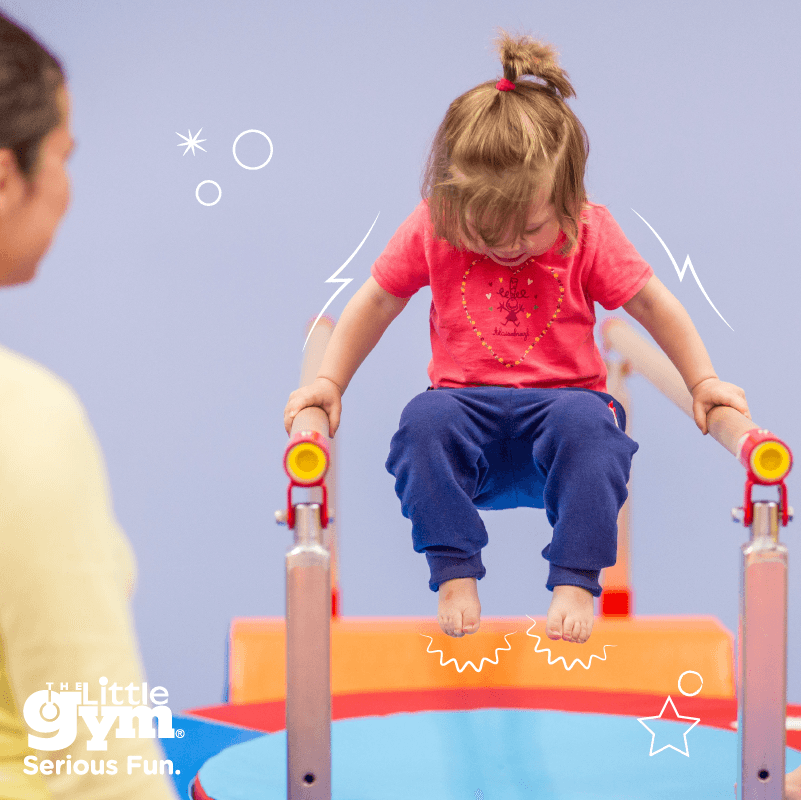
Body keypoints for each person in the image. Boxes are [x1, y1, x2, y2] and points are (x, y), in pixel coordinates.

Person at [283, 30, 753, 647]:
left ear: (569, 199)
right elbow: (376, 300)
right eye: (484, 230)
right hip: (466, 415)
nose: (506, 246)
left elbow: (652, 303)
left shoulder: (590, 231)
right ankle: (453, 570)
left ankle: (576, 579)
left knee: (595, 431)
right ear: (451, 199)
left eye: (529, 229)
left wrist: (702, 381)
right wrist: (329, 382)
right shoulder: (434, 226)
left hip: (564, 410)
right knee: (422, 422)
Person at [0, 11, 178, 799]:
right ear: (6, 179)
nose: (68, 188)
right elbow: (103, 773)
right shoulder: (24, 424)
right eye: (63, 157)